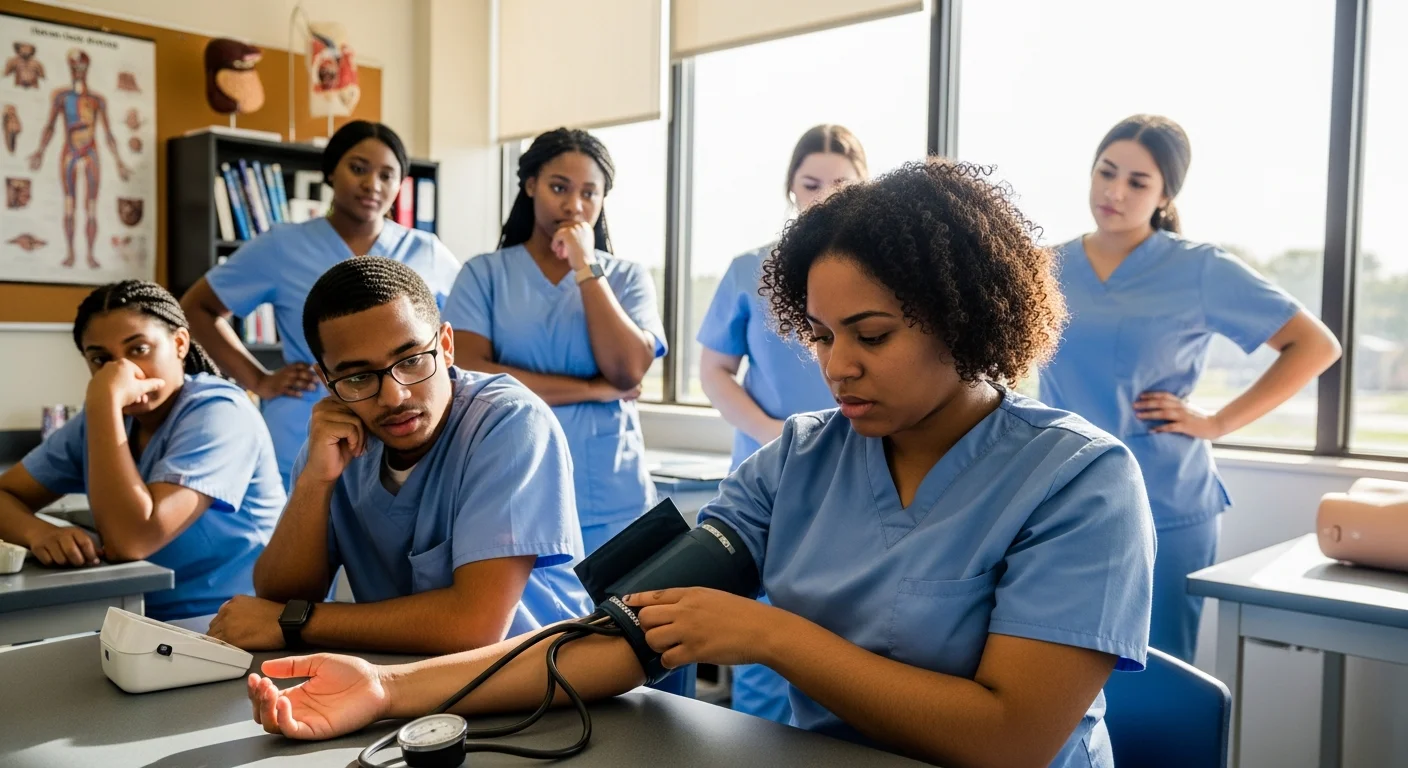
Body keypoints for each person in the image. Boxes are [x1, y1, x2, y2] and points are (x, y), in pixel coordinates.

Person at [246, 161, 1156, 768]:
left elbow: (1012, 737)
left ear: (970, 318)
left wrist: (767, 634)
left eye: (870, 335)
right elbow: (626, 633)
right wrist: (385, 690)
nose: (835, 365)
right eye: (821, 334)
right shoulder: (797, 459)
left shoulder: (1077, 481)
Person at [1039, 115, 1342, 663]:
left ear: (1165, 195)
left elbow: (1316, 345)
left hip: (1167, 502)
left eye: (1137, 181)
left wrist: (1218, 423)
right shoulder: (1045, 267)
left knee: (1162, 675)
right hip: (1062, 498)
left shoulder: (1199, 269)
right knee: (1059, 666)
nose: (1114, 191)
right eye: (1106, 172)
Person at [207, 258, 591, 655]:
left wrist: (298, 625)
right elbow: (279, 596)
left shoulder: (509, 423)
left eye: (410, 361)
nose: (394, 396)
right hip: (400, 686)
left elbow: (475, 625)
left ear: (445, 345)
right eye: (357, 377)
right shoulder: (339, 436)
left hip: (539, 684)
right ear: (328, 381)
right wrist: (314, 483)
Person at [181, 120, 461, 489]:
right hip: (302, 428)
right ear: (330, 170)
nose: (372, 184)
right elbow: (196, 307)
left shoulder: (427, 251)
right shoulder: (282, 246)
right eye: (358, 168)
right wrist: (259, 380)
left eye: (387, 175)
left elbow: (463, 336)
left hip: (401, 422)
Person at [695, 124, 867, 725]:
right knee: (759, 634)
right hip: (771, 469)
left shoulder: (883, 273)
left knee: (845, 641)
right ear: (790, 189)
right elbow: (714, 368)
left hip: (862, 467)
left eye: (840, 184)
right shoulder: (751, 270)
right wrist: (775, 433)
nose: (823, 196)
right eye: (810, 183)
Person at [0, 281, 282, 621]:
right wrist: (39, 532)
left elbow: (130, 541)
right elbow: (5, 494)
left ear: (179, 344)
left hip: (229, 620)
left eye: (138, 349)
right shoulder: (107, 417)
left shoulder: (221, 413)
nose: (122, 373)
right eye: (101, 359)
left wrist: (104, 401)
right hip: (133, 613)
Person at [443, 128, 666, 556]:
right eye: (559, 187)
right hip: (513, 476)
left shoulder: (626, 278)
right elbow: (469, 374)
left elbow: (628, 370)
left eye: (589, 193)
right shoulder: (484, 275)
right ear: (530, 186)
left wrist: (585, 264)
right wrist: (591, 390)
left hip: (610, 491)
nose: (574, 205)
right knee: (530, 623)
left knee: (621, 618)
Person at [28, 48, 132, 269]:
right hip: (70, 152)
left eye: (81, 67)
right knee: (69, 205)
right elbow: (50, 126)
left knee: (91, 206)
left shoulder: (97, 100)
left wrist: (119, 162)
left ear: (87, 68)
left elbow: (108, 133)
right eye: (74, 67)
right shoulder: (62, 97)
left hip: (91, 151)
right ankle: (70, 254)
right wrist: (39, 151)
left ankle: (91, 255)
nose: (78, 72)